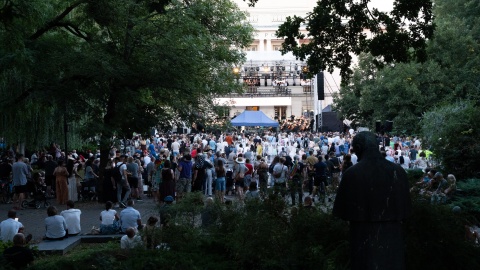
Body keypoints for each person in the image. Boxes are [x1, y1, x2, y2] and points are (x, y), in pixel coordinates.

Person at [333, 131, 411, 270]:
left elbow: (340, 211)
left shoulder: (352, 174)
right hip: (392, 238)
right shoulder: (398, 171)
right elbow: (407, 209)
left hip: (363, 238)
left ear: (357, 148)